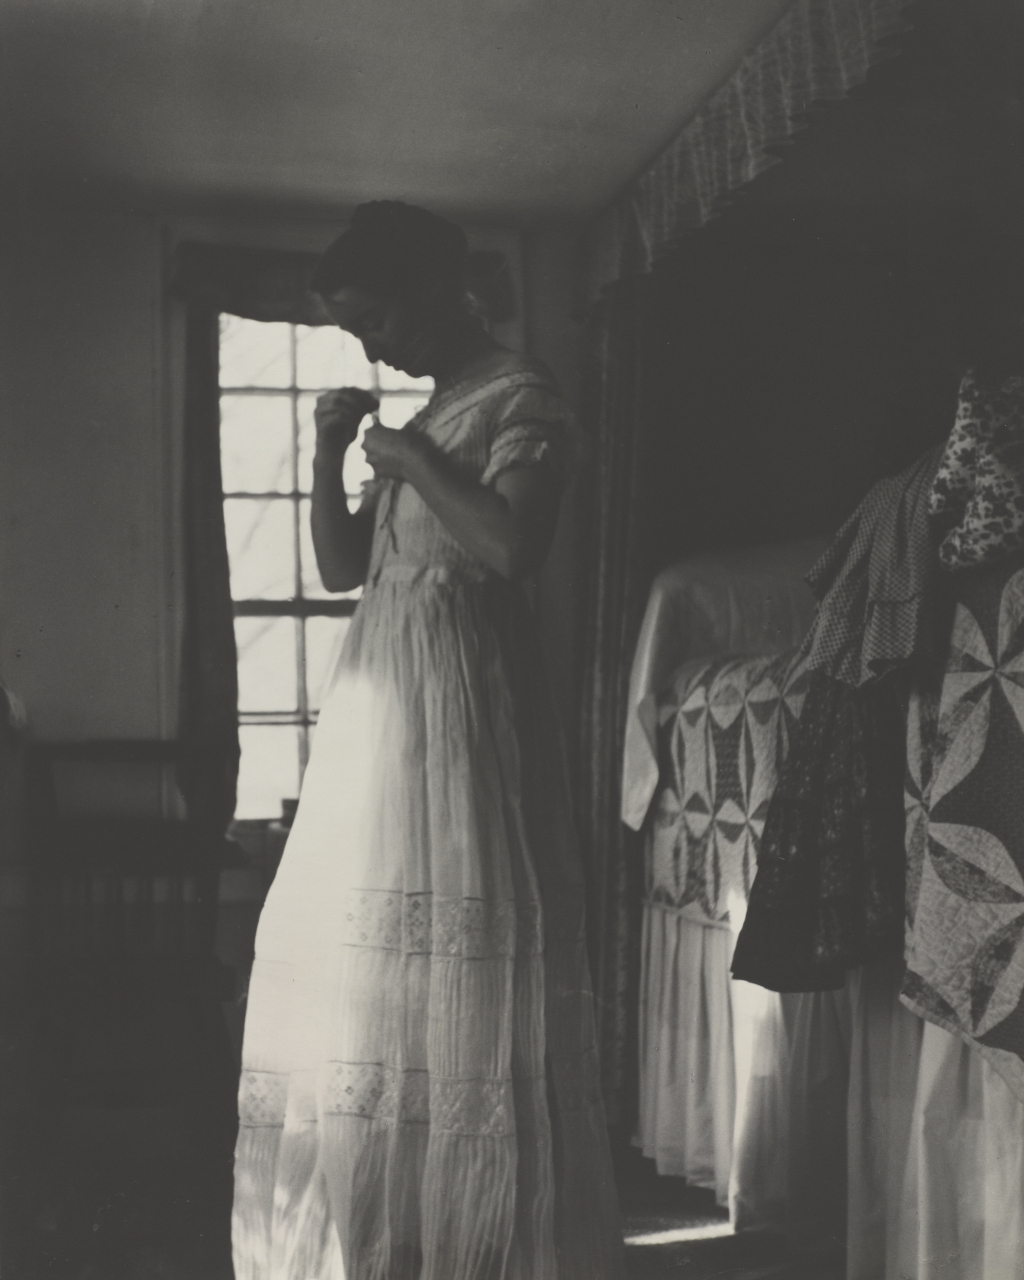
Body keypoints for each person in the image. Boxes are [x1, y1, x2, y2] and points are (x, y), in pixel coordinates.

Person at [231, 201, 623, 1280]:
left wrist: (409, 458)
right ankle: (396, 1235)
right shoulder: (435, 407)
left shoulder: (520, 396)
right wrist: (329, 454)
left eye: (378, 317)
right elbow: (345, 567)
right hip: (381, 718)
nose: (374, 345)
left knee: (465, 953)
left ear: (441, 288)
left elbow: (508, 547)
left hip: (463, 719)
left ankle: (482, 1242)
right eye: (355, 330)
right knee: (373, 975)